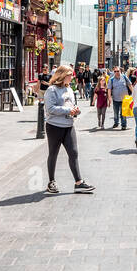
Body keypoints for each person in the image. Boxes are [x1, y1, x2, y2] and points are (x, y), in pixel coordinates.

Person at [43, 64, 95, 195]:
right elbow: (50, 108)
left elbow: (72, 104)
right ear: (62, 75)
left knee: (74, 152)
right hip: (54, 126)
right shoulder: (52, 90)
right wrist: (68, 110)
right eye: (70, 74)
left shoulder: (69, 89)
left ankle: (78, 182)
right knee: (53, 153)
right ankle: (51, 182)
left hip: (68, 125)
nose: (72, 77)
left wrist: (76, 110)